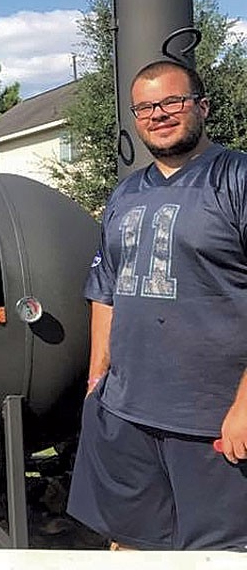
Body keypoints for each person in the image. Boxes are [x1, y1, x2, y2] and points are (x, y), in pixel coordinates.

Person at [67, 59, 247, 550]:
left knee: (218, 558)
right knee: (131, 550)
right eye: (145, 107)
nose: (158, 114)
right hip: (129, 418)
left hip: (213, 424)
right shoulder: (125, 193)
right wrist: (97, 385)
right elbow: (106, 289)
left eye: (172, 101)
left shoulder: (235, 178)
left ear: (202, 107)